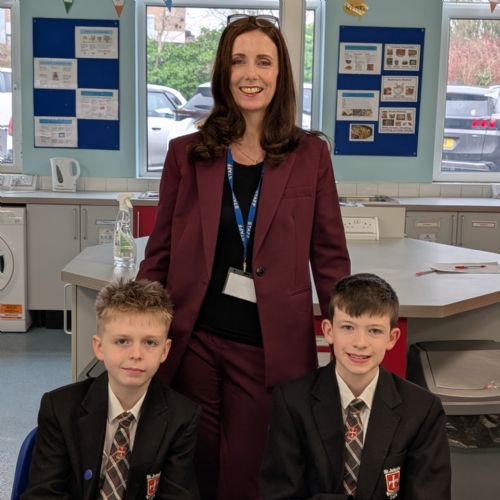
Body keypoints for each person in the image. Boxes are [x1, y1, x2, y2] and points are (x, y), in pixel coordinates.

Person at [137, 13, 350, 500]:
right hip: (194, 340)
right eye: (238, 61)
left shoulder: (310, 155)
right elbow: (161, 249)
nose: (250, 74)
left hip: (268, 345)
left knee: (250, 473)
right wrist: (142, 325)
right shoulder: (187, 153)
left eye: (263, 62)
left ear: (280, 74)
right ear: (223, 72)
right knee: (192, 469)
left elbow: (329, 255)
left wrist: (347, 330)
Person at [260, 273, 451, 500]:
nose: (360, 343)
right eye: (348, 327)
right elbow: (279, 494)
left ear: (392, 338)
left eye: (374, 330)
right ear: (329, 331)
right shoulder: (292, 402)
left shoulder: (423, 410)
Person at [22, 279, 201, 500]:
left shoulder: (182, 418)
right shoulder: (59, 408)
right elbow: (43, 495)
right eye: (122, 341)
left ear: (165, 351)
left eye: (150, 343)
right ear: (99, 347)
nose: (136, 354)